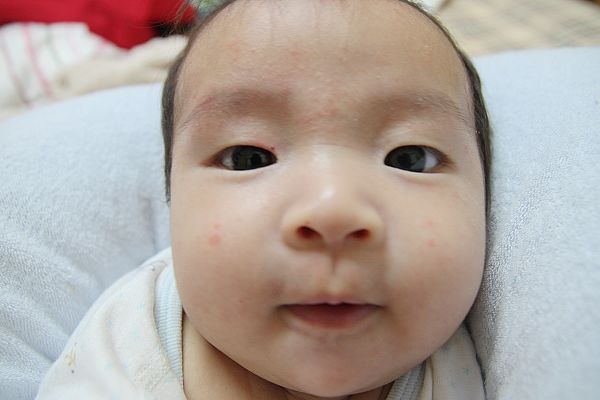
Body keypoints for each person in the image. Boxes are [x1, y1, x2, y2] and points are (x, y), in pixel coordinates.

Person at [37, 0, 490, 398]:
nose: (331, 209)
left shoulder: (488, 362)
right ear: (172, 204)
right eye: (248, 158)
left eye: (410, 159)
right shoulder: (126, 349)